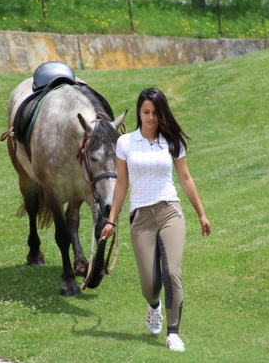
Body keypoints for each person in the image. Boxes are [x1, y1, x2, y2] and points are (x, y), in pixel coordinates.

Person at [101, 87, 211, 352]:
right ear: (139, 112)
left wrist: (201, 214)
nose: (150, 118)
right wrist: (111, 221)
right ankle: (154, 306)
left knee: (172, 272)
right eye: (145, 112)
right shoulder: (125, 142)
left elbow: (185, 178)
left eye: (155, 113)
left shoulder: (172, 142)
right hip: (141, 217)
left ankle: (173, 333)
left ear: (163, 113)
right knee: (149, 284)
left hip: (169, 211)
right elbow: (121, 183)